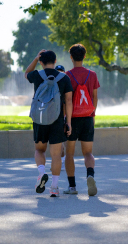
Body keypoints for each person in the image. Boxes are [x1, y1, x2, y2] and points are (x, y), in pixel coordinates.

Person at [25, 50, 73, 197]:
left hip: (39, 119)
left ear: (41, 61)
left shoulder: (37, 75)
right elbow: (69, 101)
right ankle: (54, 187)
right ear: (55, 60)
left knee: (39, 150)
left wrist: (35, 58)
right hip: (57, 121)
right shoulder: (64, 78)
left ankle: (41, 173)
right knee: (56, 155)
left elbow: (26, 73)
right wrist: (68, 123)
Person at [64, 44, 100, 196]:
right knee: (88, 153)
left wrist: (67, 122)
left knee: (70, 154)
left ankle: (72, 187)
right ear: (84, 56)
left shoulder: (67, 75)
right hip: (87, 118)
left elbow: (67, 100)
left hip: (72, 120)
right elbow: (95, 97)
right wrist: (92, 114)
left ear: (71, 57)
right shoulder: (92, 75)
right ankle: (90, 175)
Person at [55, 64, 67, 171]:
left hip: (63, 116)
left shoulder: (66, 83)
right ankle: (59, 161)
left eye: (61, 71)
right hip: (54, 116)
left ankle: (62, 162)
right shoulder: (52, 85)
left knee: (61, 142)